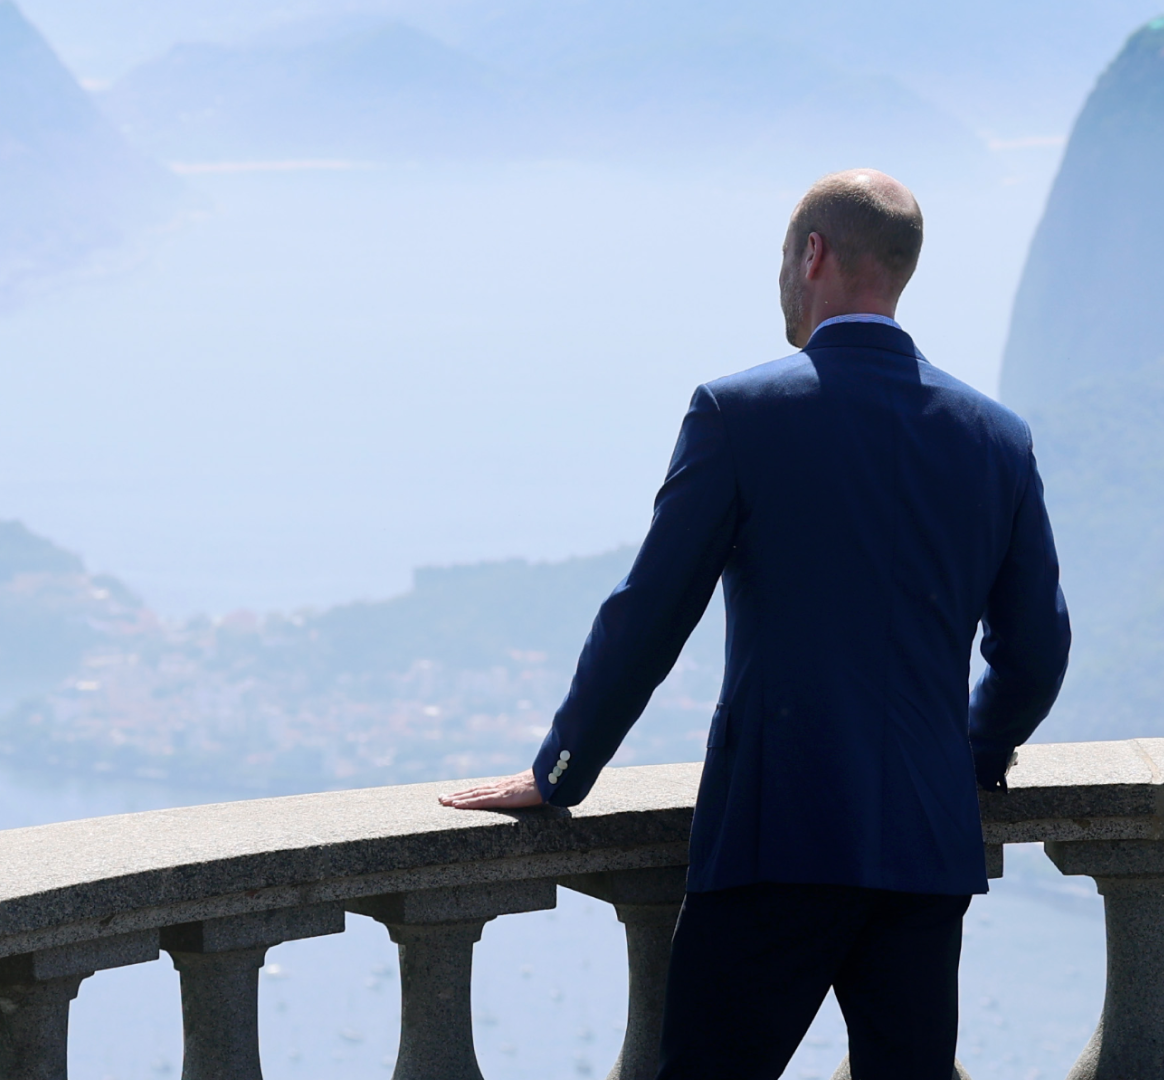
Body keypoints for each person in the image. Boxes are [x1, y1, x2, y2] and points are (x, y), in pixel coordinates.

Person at [441, 168, 1070, 1080]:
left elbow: (648, 617)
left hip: (779, 837)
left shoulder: (738, 415)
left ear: (812, 254)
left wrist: (560, 770)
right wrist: (967, 755)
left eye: (785, 254)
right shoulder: (998, 439)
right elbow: (1036, 651)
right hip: (927, 847)